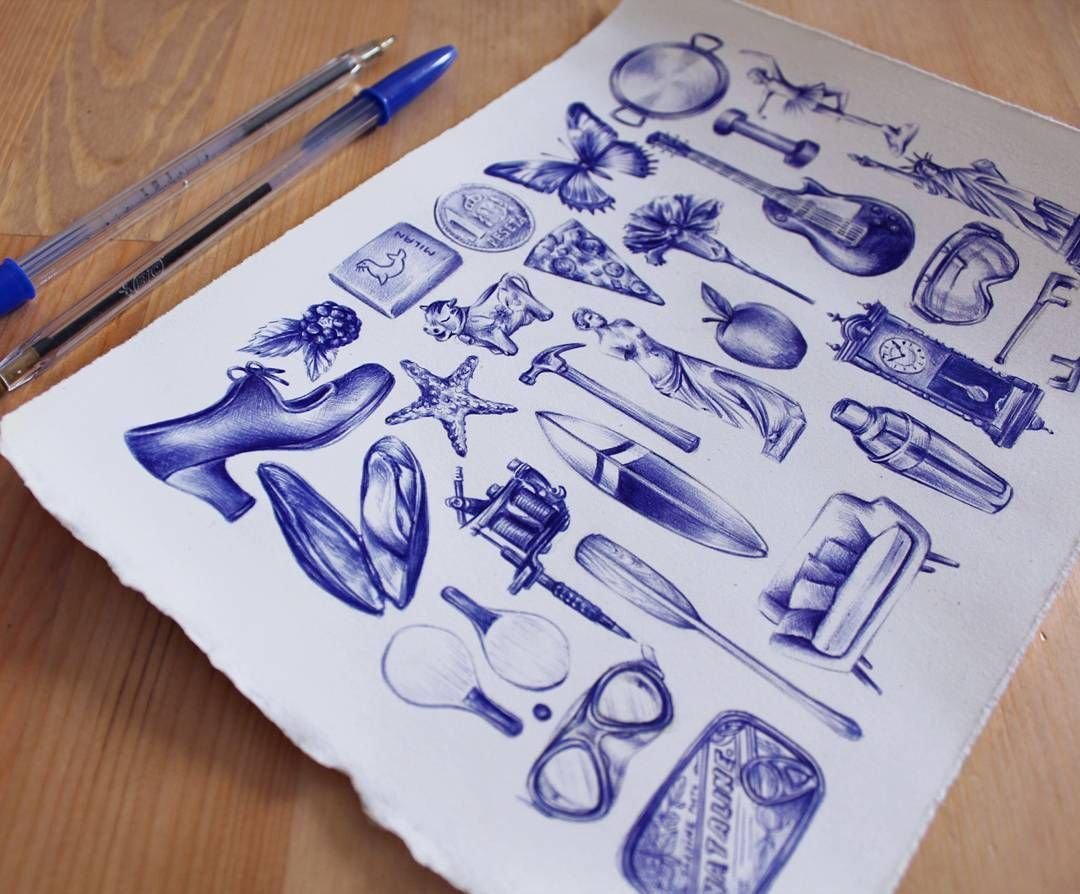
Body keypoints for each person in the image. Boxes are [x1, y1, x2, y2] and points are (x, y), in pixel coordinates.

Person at [572, 307, 805, 462]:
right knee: (719, 404)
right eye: (589, 319)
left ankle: (779, 414)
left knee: (722, 378)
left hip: (678, 358)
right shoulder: (606, 345)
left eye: (592, 313)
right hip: (666, 376)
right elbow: (635, 353)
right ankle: (768, 434)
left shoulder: (621, 322)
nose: (595, 316)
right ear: (585, 327)